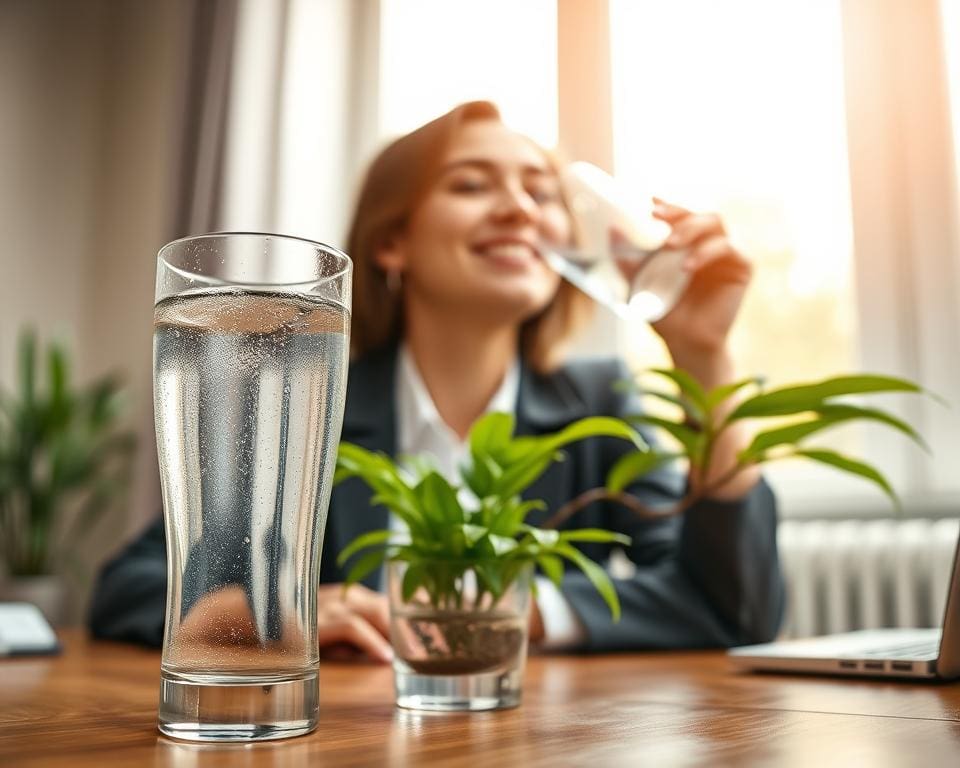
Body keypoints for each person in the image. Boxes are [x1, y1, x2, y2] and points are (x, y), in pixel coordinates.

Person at [89, 101, 783, 659]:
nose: (520, 210)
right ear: (392, 241)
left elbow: (733, 606)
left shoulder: (599, 401)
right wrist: (274, 610)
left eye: (540, 192)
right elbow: (128, 586)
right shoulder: (314, 401)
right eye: (472, 184)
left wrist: (703, 356)